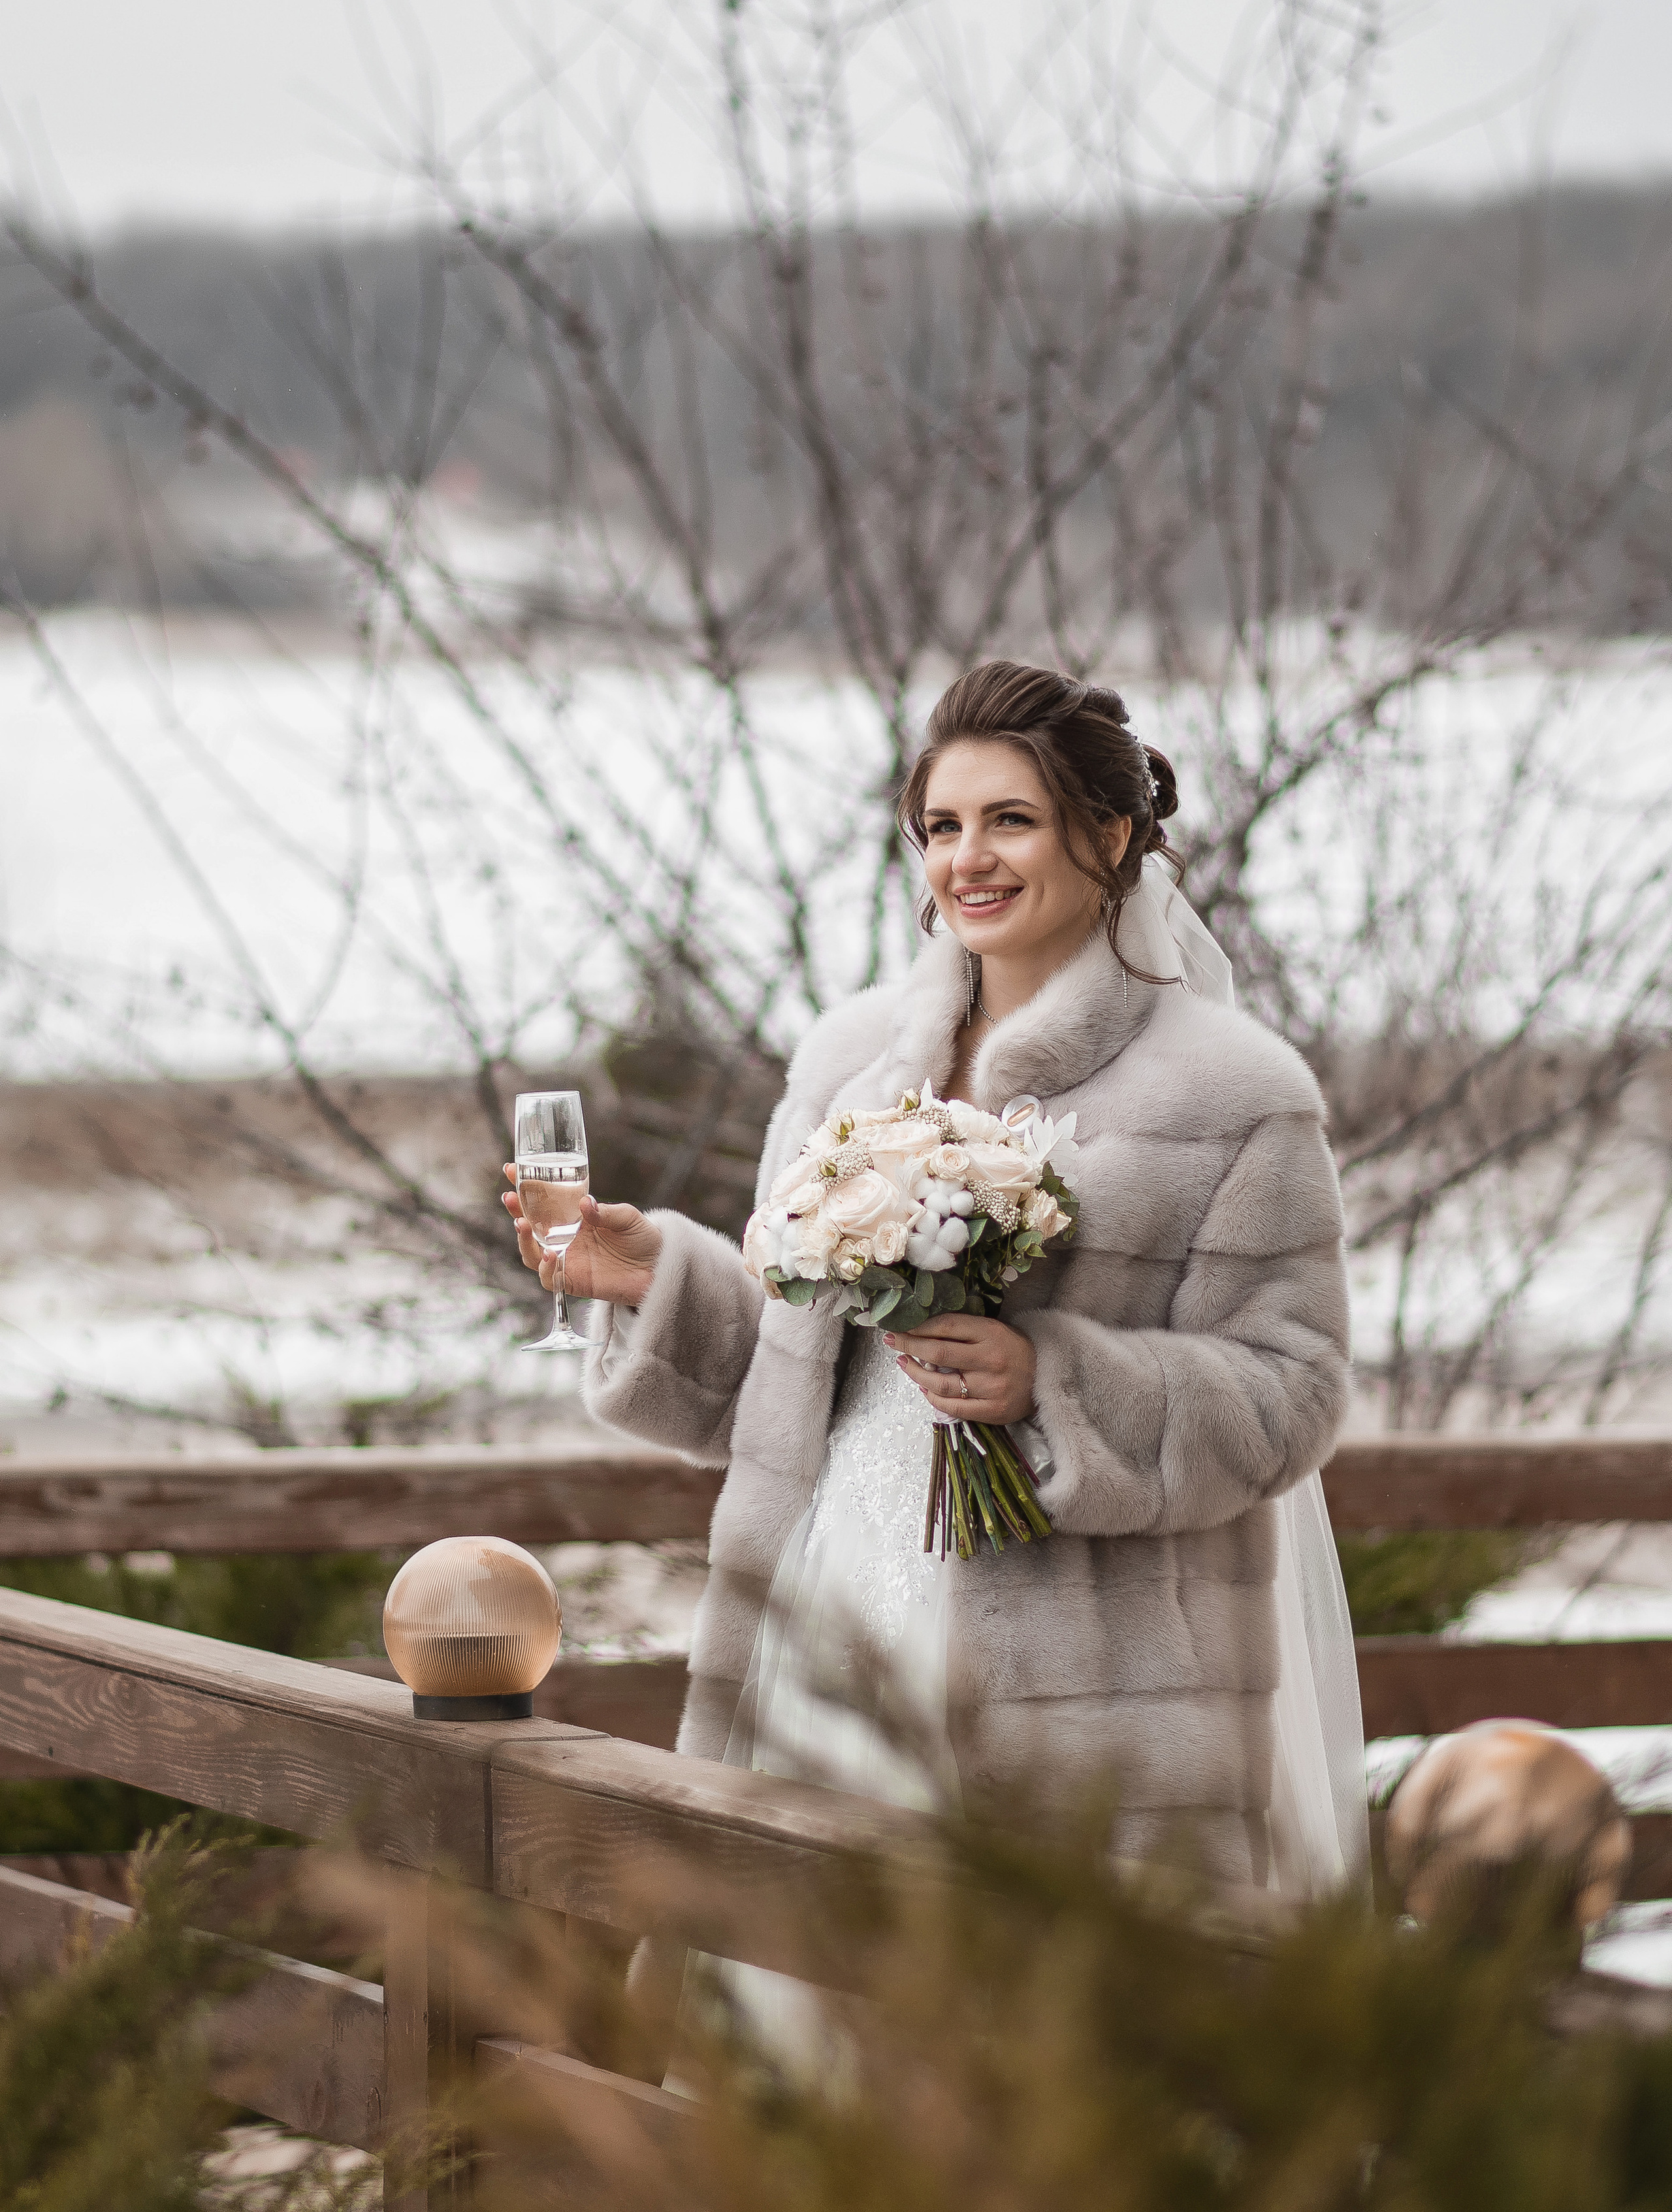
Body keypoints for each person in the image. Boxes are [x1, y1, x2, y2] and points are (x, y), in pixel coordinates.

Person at [505, 661, 1366, 1895]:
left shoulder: (1234, 1095)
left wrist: (1051, 1382)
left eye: (1010, 819)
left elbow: (1294, 1396)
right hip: (837, 1598)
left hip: (1099, 1685)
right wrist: (655, 1279)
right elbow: (797, 1369)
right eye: (942, 826)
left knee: (1047, 2038)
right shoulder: (849, 1065)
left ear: (1110, 836)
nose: (970, 857)